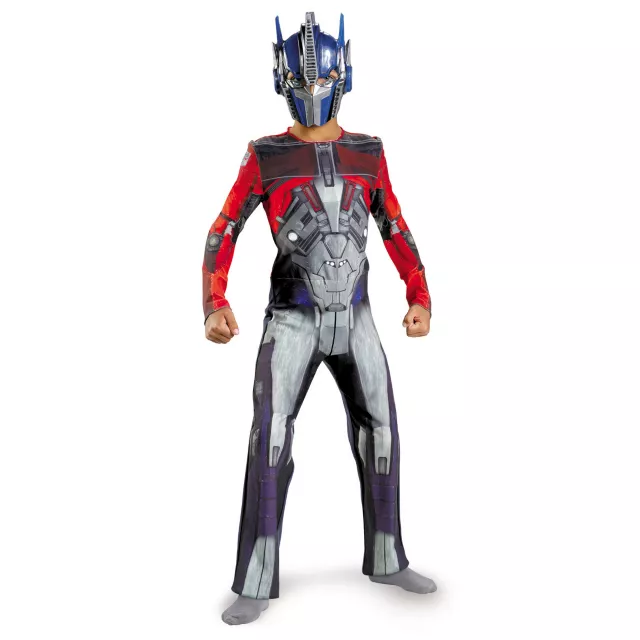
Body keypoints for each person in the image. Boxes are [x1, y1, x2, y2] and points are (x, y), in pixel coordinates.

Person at [202, 12, 436, 626]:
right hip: (292, 318)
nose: (312, 88)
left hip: (358, 315)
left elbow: (393, 224)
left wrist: (419, 294)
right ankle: (255, 579)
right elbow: (224, 229)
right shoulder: (265, 156)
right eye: (303, 79)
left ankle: (387, 557)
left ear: (342, 76)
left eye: (321, 77)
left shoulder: (369, 153)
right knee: (270, 439)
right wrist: (214, 302)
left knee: (382, 432)